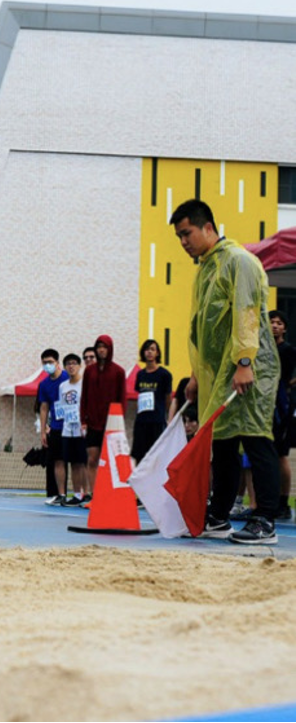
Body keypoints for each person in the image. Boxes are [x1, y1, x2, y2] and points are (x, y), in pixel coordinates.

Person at [171, 198, 280, 545]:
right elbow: (203, 327)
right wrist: (194, 375)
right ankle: (218, 516)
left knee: (255, 438)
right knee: (223, 441)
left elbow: (247, 312)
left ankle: (265, 519)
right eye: (179, 236)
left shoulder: (238, 261)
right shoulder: (205, 269)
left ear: (207, 227)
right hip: (219, 374)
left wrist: (245, 362)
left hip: (249, 369)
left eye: (187, 233)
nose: (184, 241)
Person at [80, 334, 126, 494]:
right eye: (99, 347)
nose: (101, 350)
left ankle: (108, 494)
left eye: (104, 347)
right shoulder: (89, 371)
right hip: (92, 422)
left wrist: (119, 422)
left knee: (109, 461)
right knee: (92, 459)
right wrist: (83, 420)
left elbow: (122, 399)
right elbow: (84, 396)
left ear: (110, 349)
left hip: (111, 423)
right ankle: (94, 495)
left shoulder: (119, 372)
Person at [269, 310, 296, 519]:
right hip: (264, 405)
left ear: (284, 328)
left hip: (282, 406)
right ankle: (267, 499)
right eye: (271, 322)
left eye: (279, 323)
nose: (275, 326)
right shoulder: (263, 349)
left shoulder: (288, 350)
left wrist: (287, 386)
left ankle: (283, 502)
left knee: (281, 455)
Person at [131, 339, 172, 464]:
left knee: (156, 457)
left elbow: (168, 398)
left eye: (152, 349)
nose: (149, 352)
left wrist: (166, 416)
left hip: (156, 421)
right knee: (139, 457)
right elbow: (139, 393)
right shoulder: (140, 374)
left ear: (157, 353)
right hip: (141, 421)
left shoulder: (164, 375)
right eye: (146, 349)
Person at [37, 349, 68, 505]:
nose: (47, 365)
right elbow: (44, 407)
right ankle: (60, 494)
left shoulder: (68, 378)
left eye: (50, 362)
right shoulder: (44, 384)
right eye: (44, 363)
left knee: (78, 461)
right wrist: (43, 430)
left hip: (73, 426)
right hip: (56, 427)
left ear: (57, 362)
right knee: (58, 460)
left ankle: (83, 494)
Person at [58, 353, 86, 505]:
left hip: (83, 428)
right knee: (73, 463)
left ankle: (87, 493)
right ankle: (76, 494)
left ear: (79, 366)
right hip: (68, 428)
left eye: (74, 363)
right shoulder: (63, 386)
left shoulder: (85, 384)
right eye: (68, 364)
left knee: (85, 462)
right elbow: (61, 407)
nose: (71, 366)